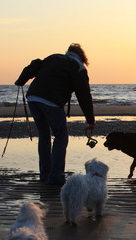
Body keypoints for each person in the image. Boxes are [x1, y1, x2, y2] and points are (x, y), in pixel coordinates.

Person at [15, 43, 95, 185]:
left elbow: (34, 65)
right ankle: (56, 177)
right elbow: (84, 96)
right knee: (60, 137)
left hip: (33, 98)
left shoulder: (53, 58)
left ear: (68, 52)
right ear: (82, 57)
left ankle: (45, 174)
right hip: (51, 102)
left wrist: (20, 81)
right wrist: (90, 120)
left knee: (44, 136)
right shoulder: (78, 67)